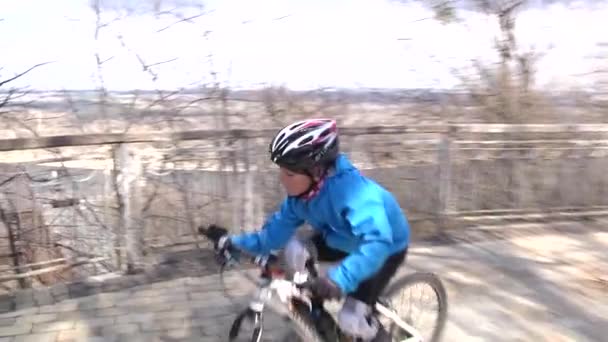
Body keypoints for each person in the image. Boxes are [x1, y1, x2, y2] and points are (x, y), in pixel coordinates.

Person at [205, 118, 410, 341]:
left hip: (384, 248)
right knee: (294, 252)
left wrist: (339, 279)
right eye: (281, 171)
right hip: (341, 239)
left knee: (351, 319)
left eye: (289, 174)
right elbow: (271, 237)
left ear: (316, 170)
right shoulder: (300, 199)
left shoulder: (355, 193)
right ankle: (319, 316)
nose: (282, 180)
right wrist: (232, 242)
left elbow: (378, 242)